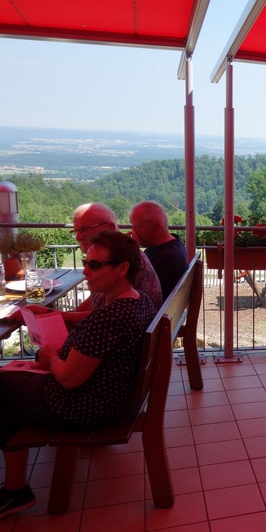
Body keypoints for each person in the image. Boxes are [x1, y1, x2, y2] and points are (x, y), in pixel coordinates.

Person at [0, 231, 157, 518]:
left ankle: (15, 489)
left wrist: (50, 357)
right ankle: (15, 488)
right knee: (9, 383)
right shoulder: (137, 300)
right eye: (86, 262)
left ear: (122, 268)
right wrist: (52, 320)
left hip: (85, 406)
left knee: (3, 387)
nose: (85, 271)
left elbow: (69, 379)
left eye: (95, 265)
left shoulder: (111, 317)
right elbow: (93, 325)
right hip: (113, 395)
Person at [130, 200, 188, 299]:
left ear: (156, 227)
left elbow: (137, 290)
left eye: (137, 227)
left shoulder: (167, 257)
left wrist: (132, 250)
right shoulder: (172, 244)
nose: (133, 232)